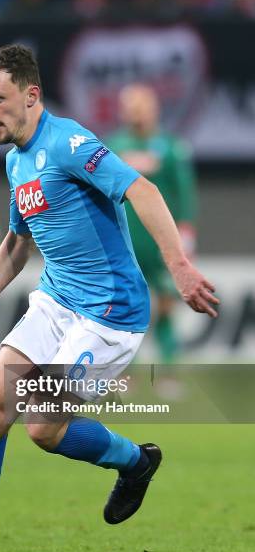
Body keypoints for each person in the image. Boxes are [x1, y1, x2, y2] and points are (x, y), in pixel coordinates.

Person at [0, 45, 219, 552]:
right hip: (56, 301)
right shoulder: (15, 159)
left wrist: (178, 267)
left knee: (42, 426)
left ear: (31, 95)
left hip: (108, 314)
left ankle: (137, 463)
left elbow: (144, 190)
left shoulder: (68, 142)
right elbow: (19, 242)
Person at [108, 84, 197, 362]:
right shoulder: (111, 146)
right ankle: (126, 371)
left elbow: (184, 191)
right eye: (131, 105)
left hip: (161, 241)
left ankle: (168, 369)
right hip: (125, 239)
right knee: (126, 307)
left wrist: (186, 229)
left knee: (167, 304)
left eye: (141, 105)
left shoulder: (171, 147)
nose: (136, 111)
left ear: (154, 108)